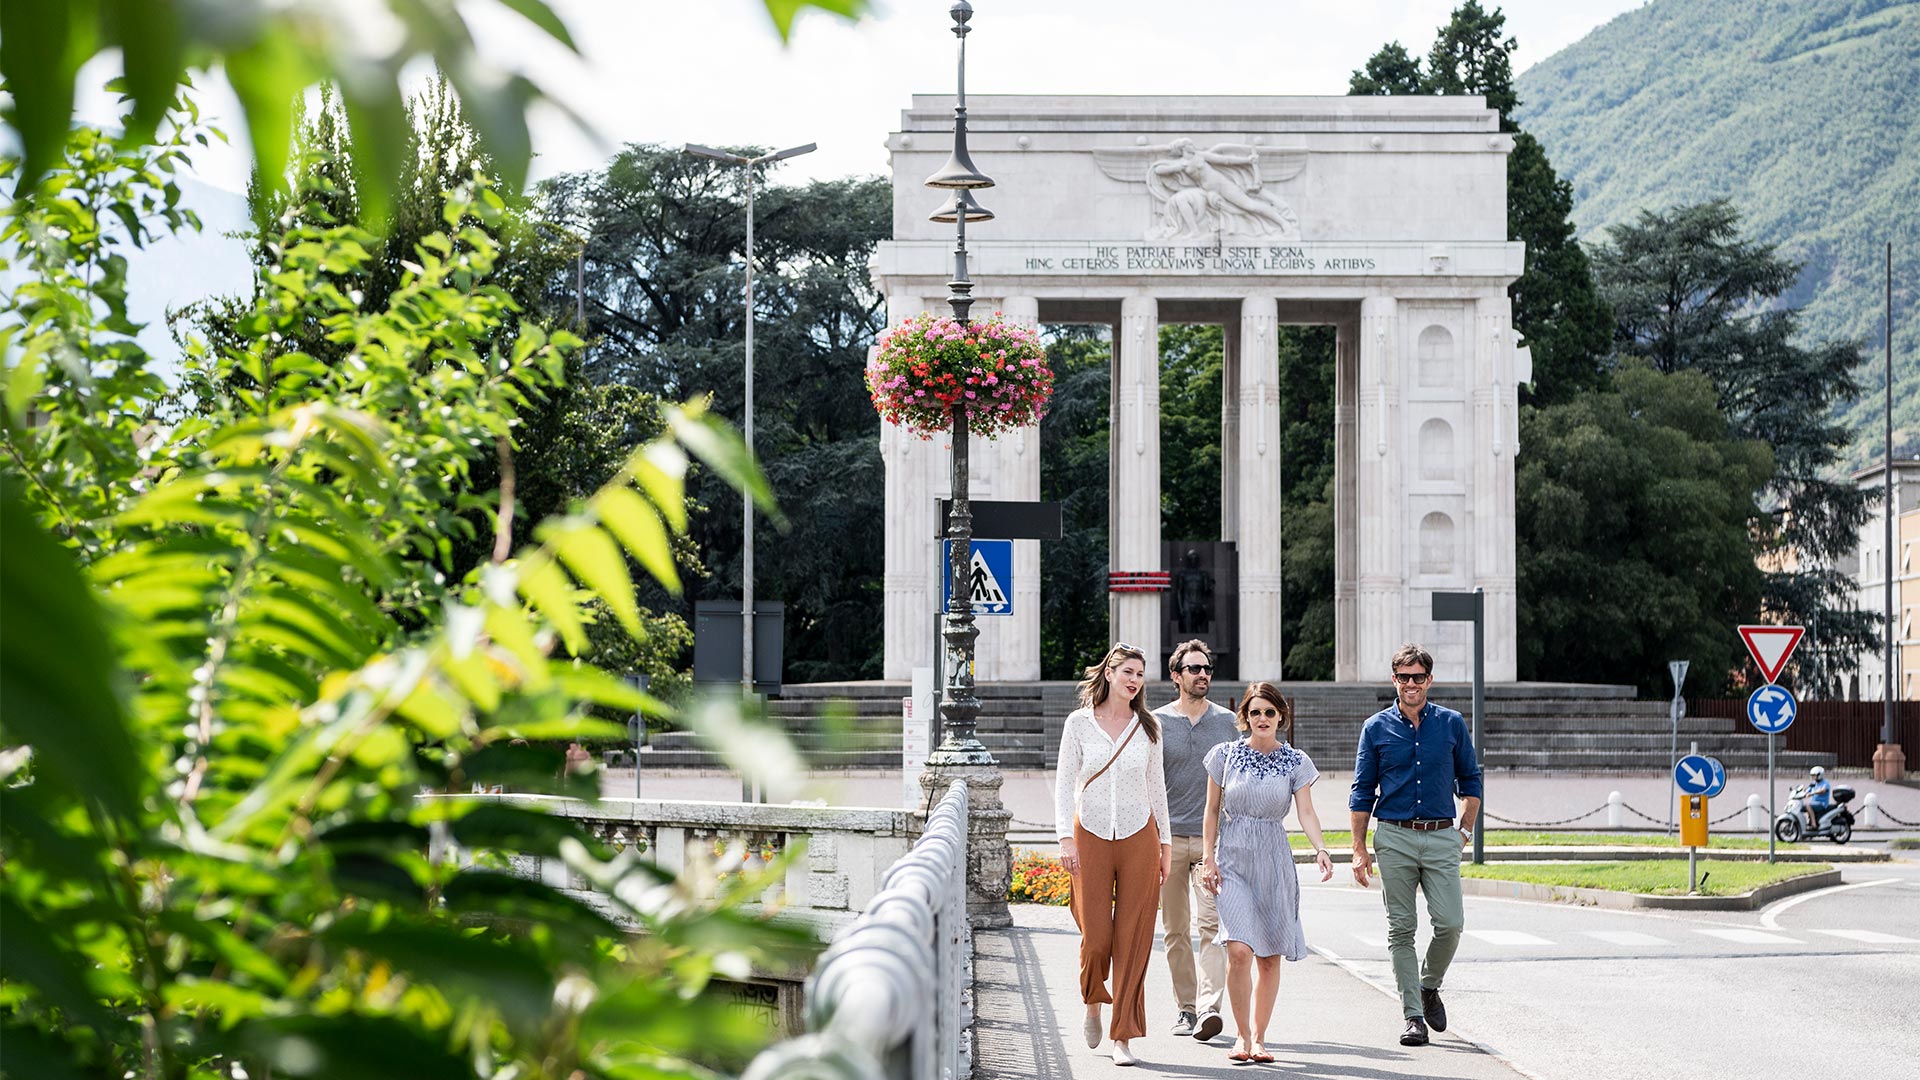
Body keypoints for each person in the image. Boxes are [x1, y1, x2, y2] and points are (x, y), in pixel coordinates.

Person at [1349, 644, 1482, 1048]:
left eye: (1418, 677)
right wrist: (1358, 849)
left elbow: (1471, 781)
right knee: (1401, 929)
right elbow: (1361, 793)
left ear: (1429, 679)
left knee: (1451, 923)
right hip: (1394, 836)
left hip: (1442, 835)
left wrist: (1464, 831)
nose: (1411, 684)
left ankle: (1428, 986)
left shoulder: (1452, 723)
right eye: (1404, 677)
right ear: (1394, 680)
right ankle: (1412, 1016)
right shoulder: (1375, 728)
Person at [1199, 684, 1334, 1064]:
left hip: (1274, 860)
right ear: (1245, 716)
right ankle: (1240, 1037)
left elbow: (1306, 812)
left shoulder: (1296, 762)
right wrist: (1208, 858)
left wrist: (1320, 848)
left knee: (1269, 956)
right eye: (1255, 712)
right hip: (1233, 859)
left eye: (1270, 713)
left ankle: (1259, 1038)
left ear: (1281, 717)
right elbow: (1211, 811)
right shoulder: (1224, 756)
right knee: (1239, 949)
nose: (1262, 719)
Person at [1055, 643, 1172, 1067]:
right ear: (1109, 673)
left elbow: (1157, 787)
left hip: (1140, 834)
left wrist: (1166, 845)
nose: (1135, 680)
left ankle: (1123, 1034)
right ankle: (1092, 1000)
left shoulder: (1149, 726)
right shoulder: (1079, 723)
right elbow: (1065, 781)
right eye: (1128, 671)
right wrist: (1064, 839)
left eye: (1140, 674)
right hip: (1089, 834)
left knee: (1133, 939)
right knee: (1097, 937)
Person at [1151, 639, 1239, 1043]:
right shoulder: (1154, 723)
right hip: (1166, 842)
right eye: (1194, 669)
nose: (1203, 674)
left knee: (1212, 927)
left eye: (1207, 669)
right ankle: (1185, 1008)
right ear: (1176, 676)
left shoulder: (1227, 722)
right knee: (1174, 930)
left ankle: (1207, 1008)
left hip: (1210, 845)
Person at [1805, 765, 1832, 831]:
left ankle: (1814, 825)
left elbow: (1823, 790)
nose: (1813, 777)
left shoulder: (1825, 783)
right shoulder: (1814, 783)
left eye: (1814, 775)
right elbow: (1807, 790)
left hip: (1822, 804)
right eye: (1812, 775)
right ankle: (1810, 822)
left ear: (1819, 775)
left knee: (1807, 806)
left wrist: (1812, 793)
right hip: (1814, 803)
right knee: (1803, 806)